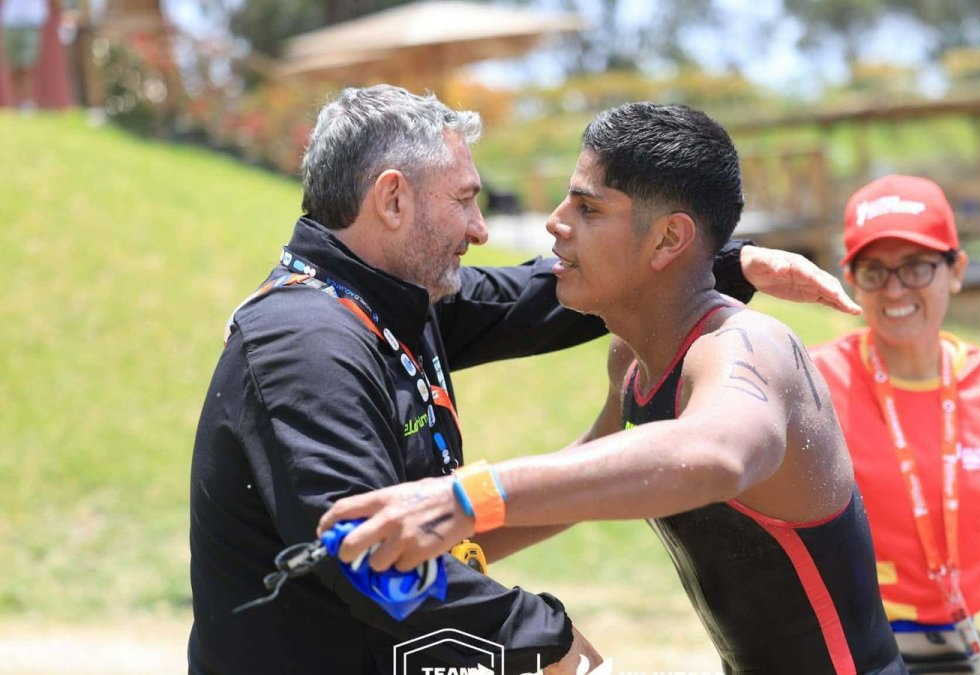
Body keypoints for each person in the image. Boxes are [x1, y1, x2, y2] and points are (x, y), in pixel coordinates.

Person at [189, 85, 861, 675]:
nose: (482, 229)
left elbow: (543, 297)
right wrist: (538, 633)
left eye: (587, 209)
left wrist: (719, 262)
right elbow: (365, 555)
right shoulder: (309, 339)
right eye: (463, 201)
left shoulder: (388, 299)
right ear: (392, 199)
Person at [809, 175, 980, 674]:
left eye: (916, 267)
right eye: (874, 271)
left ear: (956, 271)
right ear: (850, 280)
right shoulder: (812, 381)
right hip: (847, 647)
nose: (894, 290)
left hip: (956, 642)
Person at [2, 0, 48, 111]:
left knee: (27, 64)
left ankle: (28, 101)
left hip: (30, 21)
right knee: (13, 65)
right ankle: (17, 102)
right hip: (11, 20)